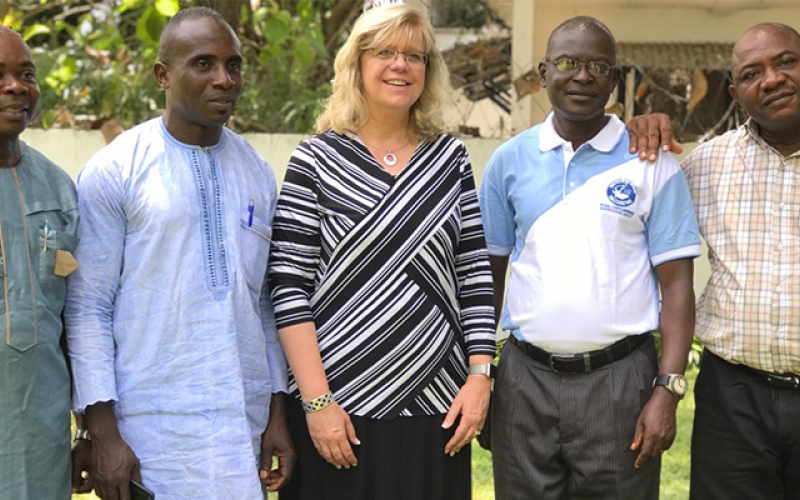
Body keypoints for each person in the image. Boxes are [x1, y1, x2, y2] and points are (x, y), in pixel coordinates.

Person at [267, 4, 496, 500]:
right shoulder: (315, 160)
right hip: (339, 412)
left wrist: (480, 378)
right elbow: (288, 288)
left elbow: (474, 275)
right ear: (357, 63)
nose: (401, 65)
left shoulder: (450, 160)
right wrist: (317, 403)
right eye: (385, 52)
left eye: (415, 56)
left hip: (437, 408)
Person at [64, 7, 294, 500]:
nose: (224, 79)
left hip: (240, 429)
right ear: (163, 75)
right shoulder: (116, 170)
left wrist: (278, 412)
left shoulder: (256, 172)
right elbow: (88, 308)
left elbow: (262, 304)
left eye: (233, 65)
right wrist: (99, 431)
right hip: (149, 435)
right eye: (203, 63)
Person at [478, 17, 700, 500]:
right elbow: (487, 281)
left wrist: (667, 389)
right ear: (543, 72)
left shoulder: (652, 161)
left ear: (614, 79)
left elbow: (677, 285)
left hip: (619, 383)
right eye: (567, 63)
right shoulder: (508, 161)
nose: (582, 76)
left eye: (598, 66)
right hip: (524, 379)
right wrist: (480, 377)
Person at [627, 22, 800, 500]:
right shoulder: (705, 165)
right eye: (751, 74)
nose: (771, 79)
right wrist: (634, 128)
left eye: (786, 62)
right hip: (733, 402)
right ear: (736, 94)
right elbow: (630, 222)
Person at [0, 27, 83, 500]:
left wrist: (86, 427)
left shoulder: (59, 190)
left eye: (26, 74)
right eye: (0, 75)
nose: (16, 87)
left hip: (40, 439)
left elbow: (73, 313)